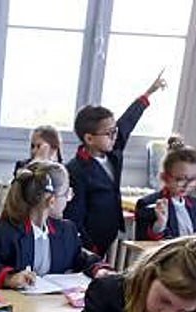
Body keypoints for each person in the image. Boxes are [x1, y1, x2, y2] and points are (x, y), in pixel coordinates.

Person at [64, 72, 167, 256]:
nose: (115, 136)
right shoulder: (75, 171)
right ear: (89, 138)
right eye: (109, 133)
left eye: (115, 131)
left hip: (109, 233)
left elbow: (127, 122)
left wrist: (148, 94)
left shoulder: (112, 152)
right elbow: (74, 217)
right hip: (88, 243)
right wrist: (87, 248)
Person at [0, 161, 111, 289]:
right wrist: (9, 278)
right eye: (67, 193)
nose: (70, 198)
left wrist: (98, 270)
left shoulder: (66, 230)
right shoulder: (5, 233)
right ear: (51, 201)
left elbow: (81, 257)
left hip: (53, 308)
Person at [133, 136, 196, 241]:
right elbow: (142, 242)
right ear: (164, 177)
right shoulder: (148, 204)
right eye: (181, 179)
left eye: (193, 179)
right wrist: (159, 226)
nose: (187, 185)